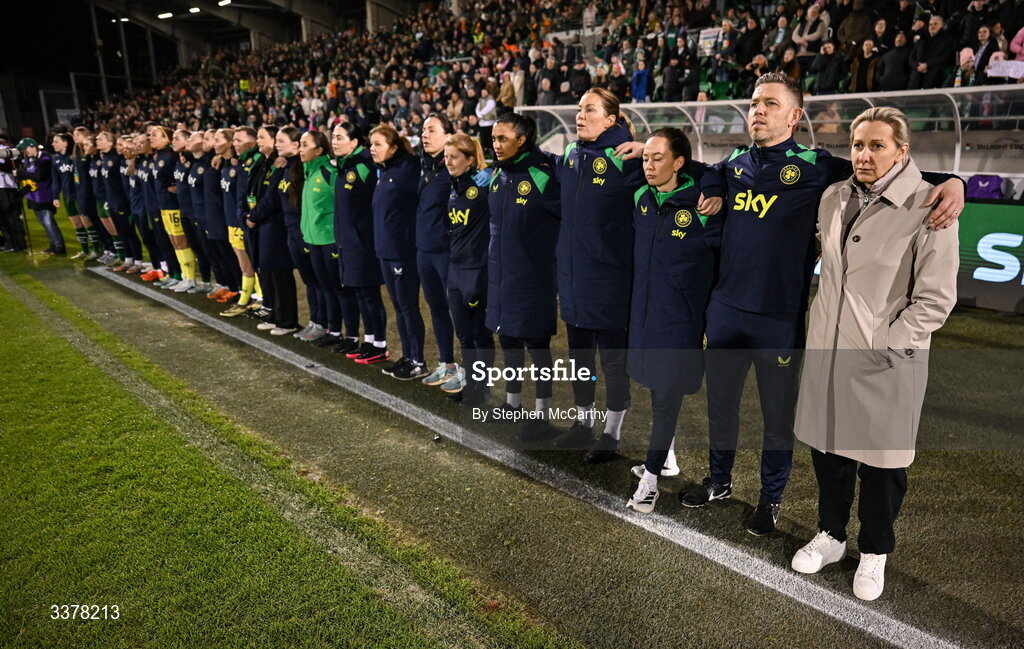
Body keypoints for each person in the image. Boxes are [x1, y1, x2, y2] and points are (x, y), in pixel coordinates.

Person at [674, 72, 963, 536]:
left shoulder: (818, 168)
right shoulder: (732, 163)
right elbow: (703, 170)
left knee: (777, 418)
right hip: (726, 309)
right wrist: (707, 184)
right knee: (721, 406)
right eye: (753, 103)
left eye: (770, 103)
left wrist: (953, 181)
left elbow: (889, 173)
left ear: (795, 115)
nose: (758, 111)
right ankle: (719, 479)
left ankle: (770, 499)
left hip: (779, 317)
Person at [791, 107, 959, 601]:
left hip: (885, 359)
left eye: (877, 145)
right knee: (829, 452)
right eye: (858, 145)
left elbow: (936, 299)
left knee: (882, 466)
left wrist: (888, 342)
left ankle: (876, 550)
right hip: (828, 349)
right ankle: (832, 536)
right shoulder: (833, 196)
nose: (864, 155)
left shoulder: (931, 205)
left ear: (902, 150)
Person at [625, 128, 724, 513]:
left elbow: (719, 262)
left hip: (680, 321)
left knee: (665, 401)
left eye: (658, 158)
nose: (648, 165)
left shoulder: (703, 205)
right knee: (654, 391)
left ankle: (650, 482)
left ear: (680, 163)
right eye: (646, 158)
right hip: (645, 314)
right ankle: (666, 459)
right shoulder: (640, 197)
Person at [486, 113, 561, 440]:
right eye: (493, 138)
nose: (496, 144)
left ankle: (543, 414)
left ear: (523, 139)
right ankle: (513, 403)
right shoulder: (497, 175)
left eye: (503, 138)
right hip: (501, 276)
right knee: (509, 340)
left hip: (535, 279)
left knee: (538, 346)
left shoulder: (543, 176)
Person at [370, 124, 429, 380]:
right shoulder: (386, 170)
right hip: (385, 250)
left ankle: (417, 360)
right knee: (398, 306)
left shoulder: (408, 168)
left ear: (394, 147)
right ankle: (407, 356)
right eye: (370, 144)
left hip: (403, 251)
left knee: (408, 307)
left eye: (378, 144)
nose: (372, 149)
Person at [443, 133, 494, 405]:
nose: (448, 161)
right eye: (446, 156)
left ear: (470, 160)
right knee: (463, 333)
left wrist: (492, 170)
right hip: (456, 269)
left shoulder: (483, 187)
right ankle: (472, 383)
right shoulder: (454, 187)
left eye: (454, 157)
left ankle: (482, 388)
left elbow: (512, 172)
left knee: (479, 334)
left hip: (477, 270)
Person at [331, 122, 389, 364]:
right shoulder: (345, 167)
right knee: (361, 294)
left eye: (340, 137)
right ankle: (370, 340)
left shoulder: (365, 167)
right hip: (348, 243)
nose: (334, 141)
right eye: (333, 137)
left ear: (354, 143)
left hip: (364, 244)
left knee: (370, 295)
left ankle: (380, 344)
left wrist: (366, 238)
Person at [415, 114, 459, 388]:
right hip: (424, 251)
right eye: (423, 130)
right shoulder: (425, 166)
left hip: (447, 252)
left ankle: (469, 370)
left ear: (448, 135)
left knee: (460, 312)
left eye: (431, 130)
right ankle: (447, 363)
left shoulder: (456, 168)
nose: (425, 135)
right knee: (437, 309)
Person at [246, 126, 299, 336]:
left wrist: (253, 216)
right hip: (267, 224)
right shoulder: (270, 163)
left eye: (279, 140)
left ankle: (287, 321)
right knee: (269, 270)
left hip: (277, 225)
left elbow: (272, 199)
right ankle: (277, 316)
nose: (276, 144)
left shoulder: (287, 165)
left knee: (280, 273)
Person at [172, 129, 213, 292]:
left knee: (208, 250)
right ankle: (204, 281)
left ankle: (217, 283)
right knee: (197, 248)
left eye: (192, 138)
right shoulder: (190, 161)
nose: (189, 141)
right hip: (187, 211)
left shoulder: (208, 162)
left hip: (202, 213)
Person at [97, 132, 142, 270]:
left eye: (122, 145)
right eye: (120, 145)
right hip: (113, 201)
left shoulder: (119, 161)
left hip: (125, 202)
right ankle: (128, 260)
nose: (121, 148)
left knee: (130, 232)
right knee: (122, 232)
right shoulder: (117, 160)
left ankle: (138, 261)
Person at [15, 138, 65, 255]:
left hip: (45, 196)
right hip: (33, 197)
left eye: (25, 148)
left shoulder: (45, 159)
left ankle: (59, 245)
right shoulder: (28, 160)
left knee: (48, 221)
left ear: (33, 147)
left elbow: (40, 176)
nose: (24, 151)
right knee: (43, 222)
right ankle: (53, 244)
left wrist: (21, 173)